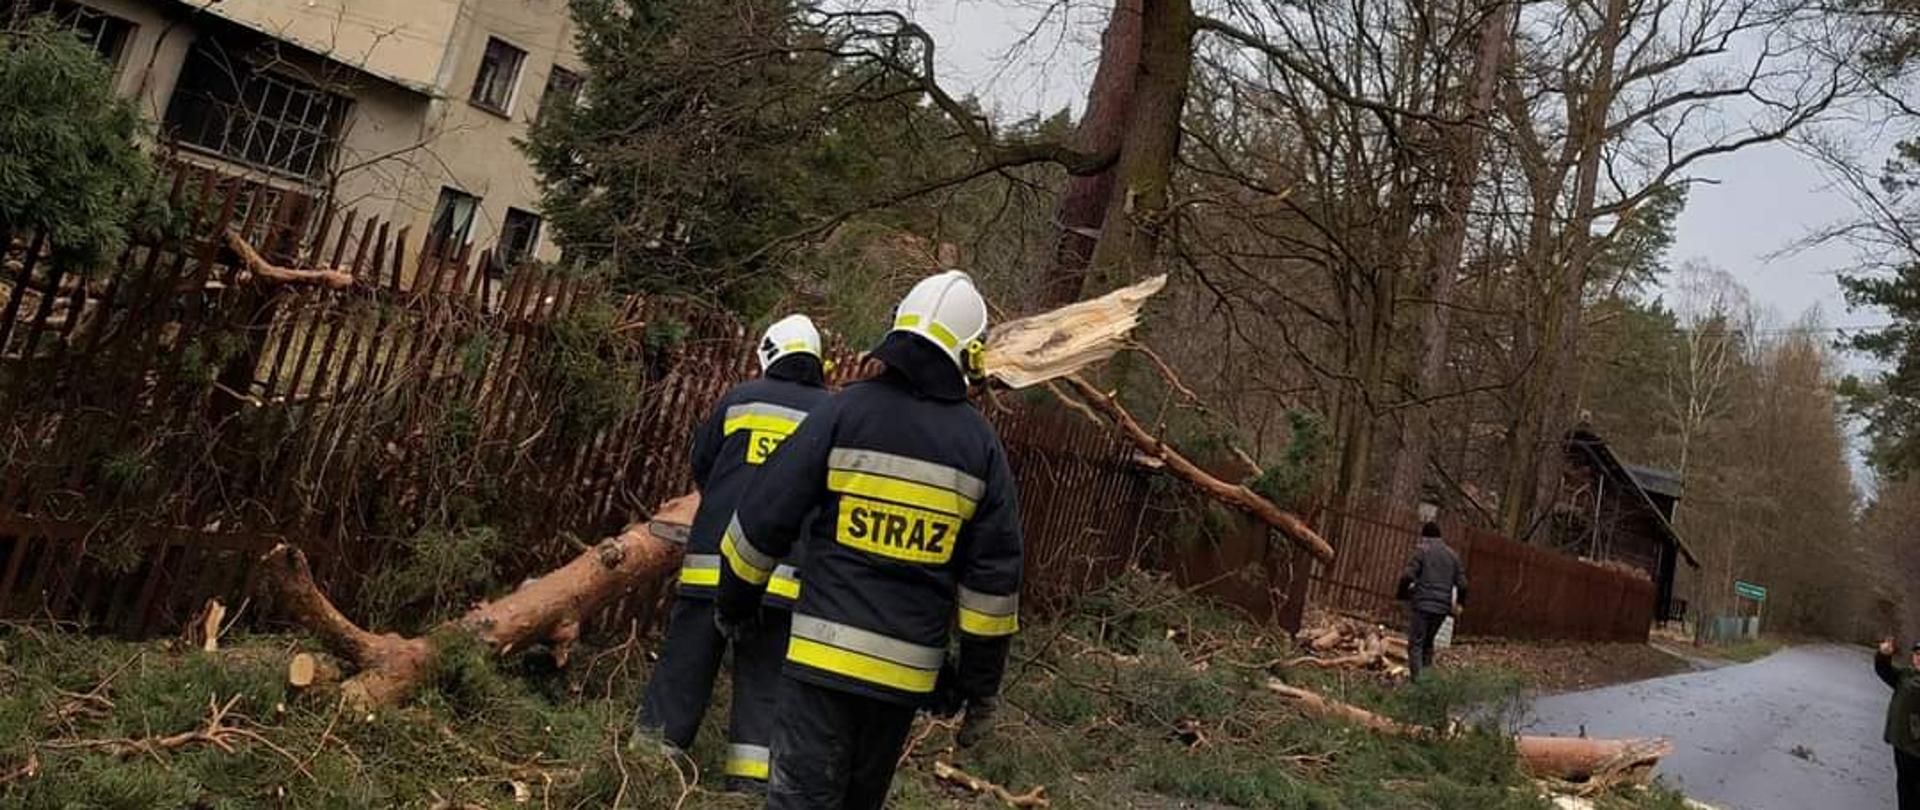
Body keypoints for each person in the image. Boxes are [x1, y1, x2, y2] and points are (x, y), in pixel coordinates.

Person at [715, 270, 1023, 810]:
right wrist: (977, 687)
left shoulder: (842, 412)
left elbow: (762, 520)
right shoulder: (980, 446)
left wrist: (735, 605)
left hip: (820, 658)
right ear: (970, 355)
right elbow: (992, 585)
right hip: (903, 678)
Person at [634, 314, 830, 792]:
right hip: (783, 581)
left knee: (683, 671)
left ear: (768, 353)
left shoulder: (740, 400)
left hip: (712, 572)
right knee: (766, 688)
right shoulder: (831, 413)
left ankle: (645, 772)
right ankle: (748, 789)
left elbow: (702, 464)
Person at [1396, 521, 1466, 681]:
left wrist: (1401, 595)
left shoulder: (1422, 551)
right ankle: (1428, 684)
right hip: (1442, 608)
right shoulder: (1453, 556)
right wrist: (1460, 604)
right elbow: (1463, 584)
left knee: (1416, 644)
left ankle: (1418, 683)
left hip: (1423, 605)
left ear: (1425, 537)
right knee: (1428, 643)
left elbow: (1407, 576)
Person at [1875, 637, 1920, 809]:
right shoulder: (1907, 674)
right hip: (1901, 743)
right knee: (1904, 787)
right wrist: (1884, 655)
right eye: (1917, 654)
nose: (1919, 658)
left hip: (1916, 749)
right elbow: (1884, 671)